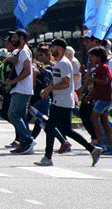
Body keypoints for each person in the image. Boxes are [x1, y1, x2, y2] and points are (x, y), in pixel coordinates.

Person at [34, 38, 102, 167]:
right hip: (62, 101)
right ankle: (92, 149)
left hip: (61, 102)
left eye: (52, 47)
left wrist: (50, 88)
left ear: (59, 48)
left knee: (50, 128)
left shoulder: (62, 64)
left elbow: (66, 83)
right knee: (66, 130)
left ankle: (47, 158)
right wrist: (50, 88)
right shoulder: (60, 63)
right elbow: (61, 81)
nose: (50, 50)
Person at [2, 29, 36, 154]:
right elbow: (7, 60)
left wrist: (13, 81)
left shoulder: (24, 52)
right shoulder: (18, 51)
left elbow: (27, 71)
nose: (12, 39)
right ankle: (25, 144)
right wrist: (9, 60)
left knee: (12, 114)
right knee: (21, 116)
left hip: (22, 88)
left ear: (22, 38)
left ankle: (28, 138)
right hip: (20, 89)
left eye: (15, 37)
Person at [83, 46, 112, 154]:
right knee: (104, 122)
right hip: (100, 97)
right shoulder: (98, 68)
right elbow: (97, 86)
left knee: (93, 118)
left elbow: (105, 81)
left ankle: (101, 143)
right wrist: (90, 95)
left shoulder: (103, 67)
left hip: (104, 98)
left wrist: (92, 79)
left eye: (92, 57)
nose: (91, 59)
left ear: (99, 57)